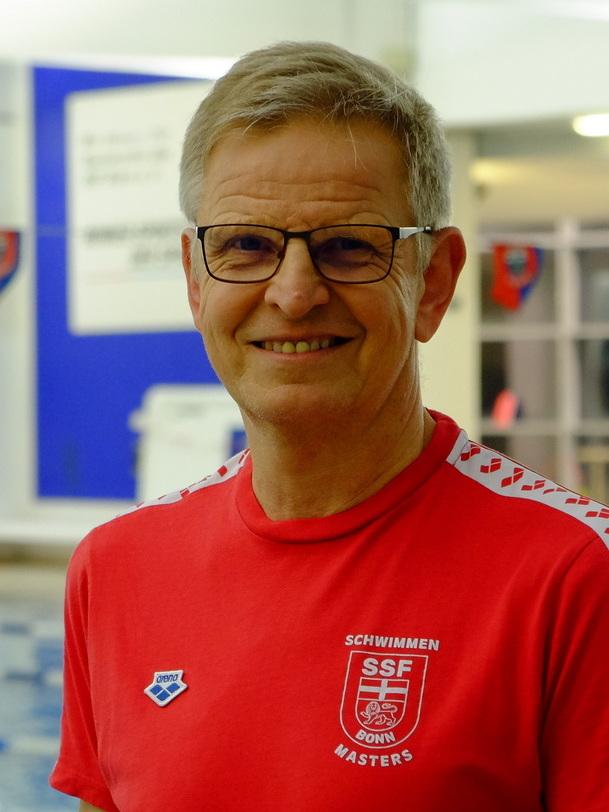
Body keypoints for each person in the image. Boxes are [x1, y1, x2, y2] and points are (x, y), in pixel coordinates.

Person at [50, 41, 609, 811]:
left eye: (348, 246)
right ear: (193, 278)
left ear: (433, 282)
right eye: (245, 245)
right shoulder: (114, 570)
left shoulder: (575, 577)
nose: (294, 292)